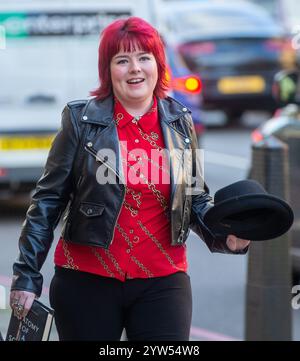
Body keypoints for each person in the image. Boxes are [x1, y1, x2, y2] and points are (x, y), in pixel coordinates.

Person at [10, 17, 250, 341]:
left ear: (158, 65)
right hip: (86, 281)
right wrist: (27, 275)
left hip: (163, 280)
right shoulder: (81, 121)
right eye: (122, 60)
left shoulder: (180, 121)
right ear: (108, 70)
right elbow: (47, 201)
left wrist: (226, 236)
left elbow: (193, 198)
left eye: (143, 58)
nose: (135, 69)